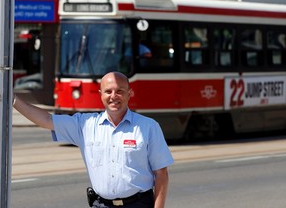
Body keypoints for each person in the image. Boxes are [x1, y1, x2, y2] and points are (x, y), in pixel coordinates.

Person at [13, 71, 174, 208]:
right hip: (101, 204)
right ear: (100, 94)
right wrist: (13, 100)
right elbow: (47, 120)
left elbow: (161, 174)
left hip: (138, 204)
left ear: (129, 93)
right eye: (108, 91)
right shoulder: (85, 124)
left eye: (120, 91)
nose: (113, 96)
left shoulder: (148, 127)